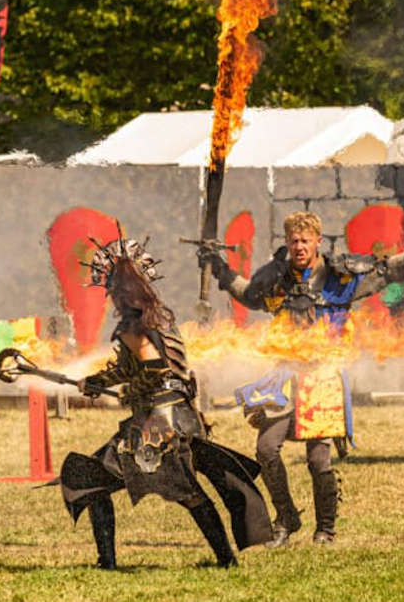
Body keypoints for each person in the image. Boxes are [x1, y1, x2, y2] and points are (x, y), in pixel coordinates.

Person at [199, 211, 404, 546]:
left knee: (318, 459)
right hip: (284, 376)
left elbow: (384, 273)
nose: (299, 246)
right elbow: (251, 296)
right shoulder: (278, 279)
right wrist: (222, 271)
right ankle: (286, 518)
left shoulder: (339, 278)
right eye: (294, 240)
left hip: (323, 376)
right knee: (266, 449)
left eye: (305, 240)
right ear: (287, 243)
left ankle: (325, 528)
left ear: (317, 241)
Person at [57, 236, 272, 570]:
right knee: (184, 492)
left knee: (92, 479)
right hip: (180, 415)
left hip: (159, 423)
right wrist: (98, 381)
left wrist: (137, 403)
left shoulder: (133, 324)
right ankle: (225, 560)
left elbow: (156, 369)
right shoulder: (160, 317)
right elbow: (139, 367)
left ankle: (110, 563)